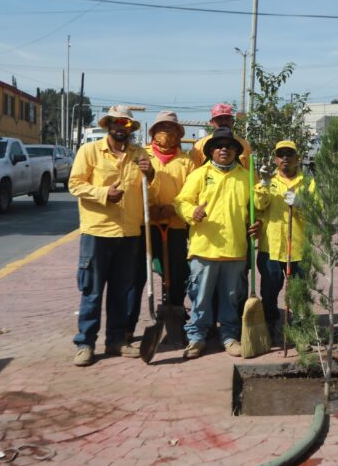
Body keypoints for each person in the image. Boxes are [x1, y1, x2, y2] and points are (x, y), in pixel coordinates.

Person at [69, 105, 155, 366]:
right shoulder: (89, 151)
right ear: (108, 125)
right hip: (98, 231)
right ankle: (85, 343)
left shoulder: (139, 154)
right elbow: (75, 184)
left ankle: (116, 340)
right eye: (116, 123)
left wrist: (150, 173)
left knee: (121, 292)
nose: (121, 127)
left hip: (129, 233)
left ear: (131, 128)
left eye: (126, 124)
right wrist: (105, 194)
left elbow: (146, 184)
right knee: (92, 292)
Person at [174, 127, 261, 359]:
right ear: (211, 150)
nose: (224, 149)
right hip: (204, 249)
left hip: (235, 250)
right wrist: (193, 211)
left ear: (236, 151)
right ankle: (196, 338)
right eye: (219, 146)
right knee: (200, 299)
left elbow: (256, 208)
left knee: (231, 299)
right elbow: (180, 202)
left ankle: (229, 337)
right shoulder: (199, 175)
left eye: (229, 146)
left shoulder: (247, 176)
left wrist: (257, 222)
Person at [128, 111, 195, 344]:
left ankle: (175, 314)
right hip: (146, 225)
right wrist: (151, 209)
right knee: (139, 276)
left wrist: (173, 208)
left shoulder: (187, 162)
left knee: (177, 276)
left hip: (176, 225)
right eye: (162, 127)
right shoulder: (142, 156)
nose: (167, 132)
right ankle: (128, 327)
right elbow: (134, 187)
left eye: (171, 128)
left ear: (179, 133)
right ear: (153, 132)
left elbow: (192, 192)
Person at [254, 140, 315, 344]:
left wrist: (300, 204)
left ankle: (299, 330)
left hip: (297, 247)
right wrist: (263, 185)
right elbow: (258, 205)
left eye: (290, 154)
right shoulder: (268, 181)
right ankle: (271, 325)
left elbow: (316, 212)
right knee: (269, 291)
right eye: (281, 154)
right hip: (270, 247)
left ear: (297, 158)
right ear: (275, 159)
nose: (285, 158)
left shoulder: (308, 183)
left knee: (298, 293)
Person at [189, 103, 251, 169]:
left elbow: (251, 174)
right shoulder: (199, 146)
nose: (224, 122)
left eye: (227, 118)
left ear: (233, 122)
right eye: (219, 118)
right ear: (211, 122)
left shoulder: (244, 145)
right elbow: (194, 173)